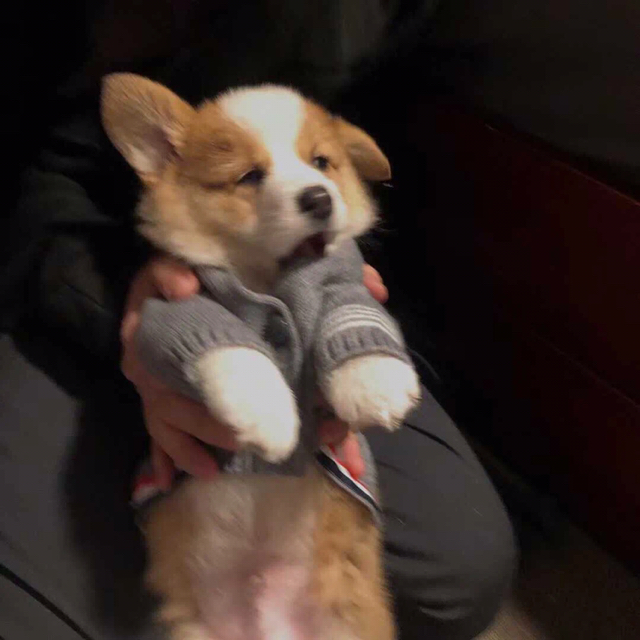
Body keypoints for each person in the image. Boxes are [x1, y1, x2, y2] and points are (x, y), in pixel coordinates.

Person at [1, 2, 516, 639]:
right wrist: (123, 308)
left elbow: (372, 165)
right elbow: (31, 189)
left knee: (459, 570)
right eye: (251, 174)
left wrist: (361, 340)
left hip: (305, 372)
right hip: (71, 276)